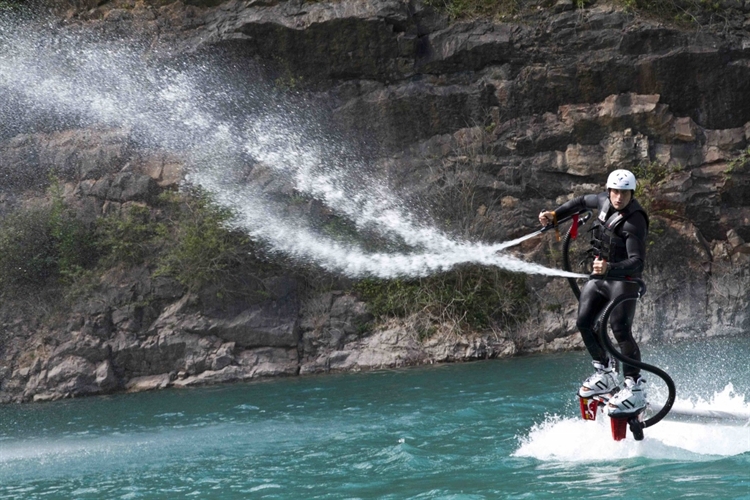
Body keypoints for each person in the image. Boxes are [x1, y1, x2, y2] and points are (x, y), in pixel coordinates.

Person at [538, 169, 649, 415]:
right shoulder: (602, 201)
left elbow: (637, 262)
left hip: (624, 279)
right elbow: (578, 203)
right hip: (600, 278)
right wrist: (555, 215)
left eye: (624, 193)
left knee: (620, 330)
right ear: (609, 191)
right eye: (615, 192)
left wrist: (611, 267)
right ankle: (605, 373)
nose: (619, 197)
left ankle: (635, 387)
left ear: (632, 193)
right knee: (584, 322)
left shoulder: (635, 220)